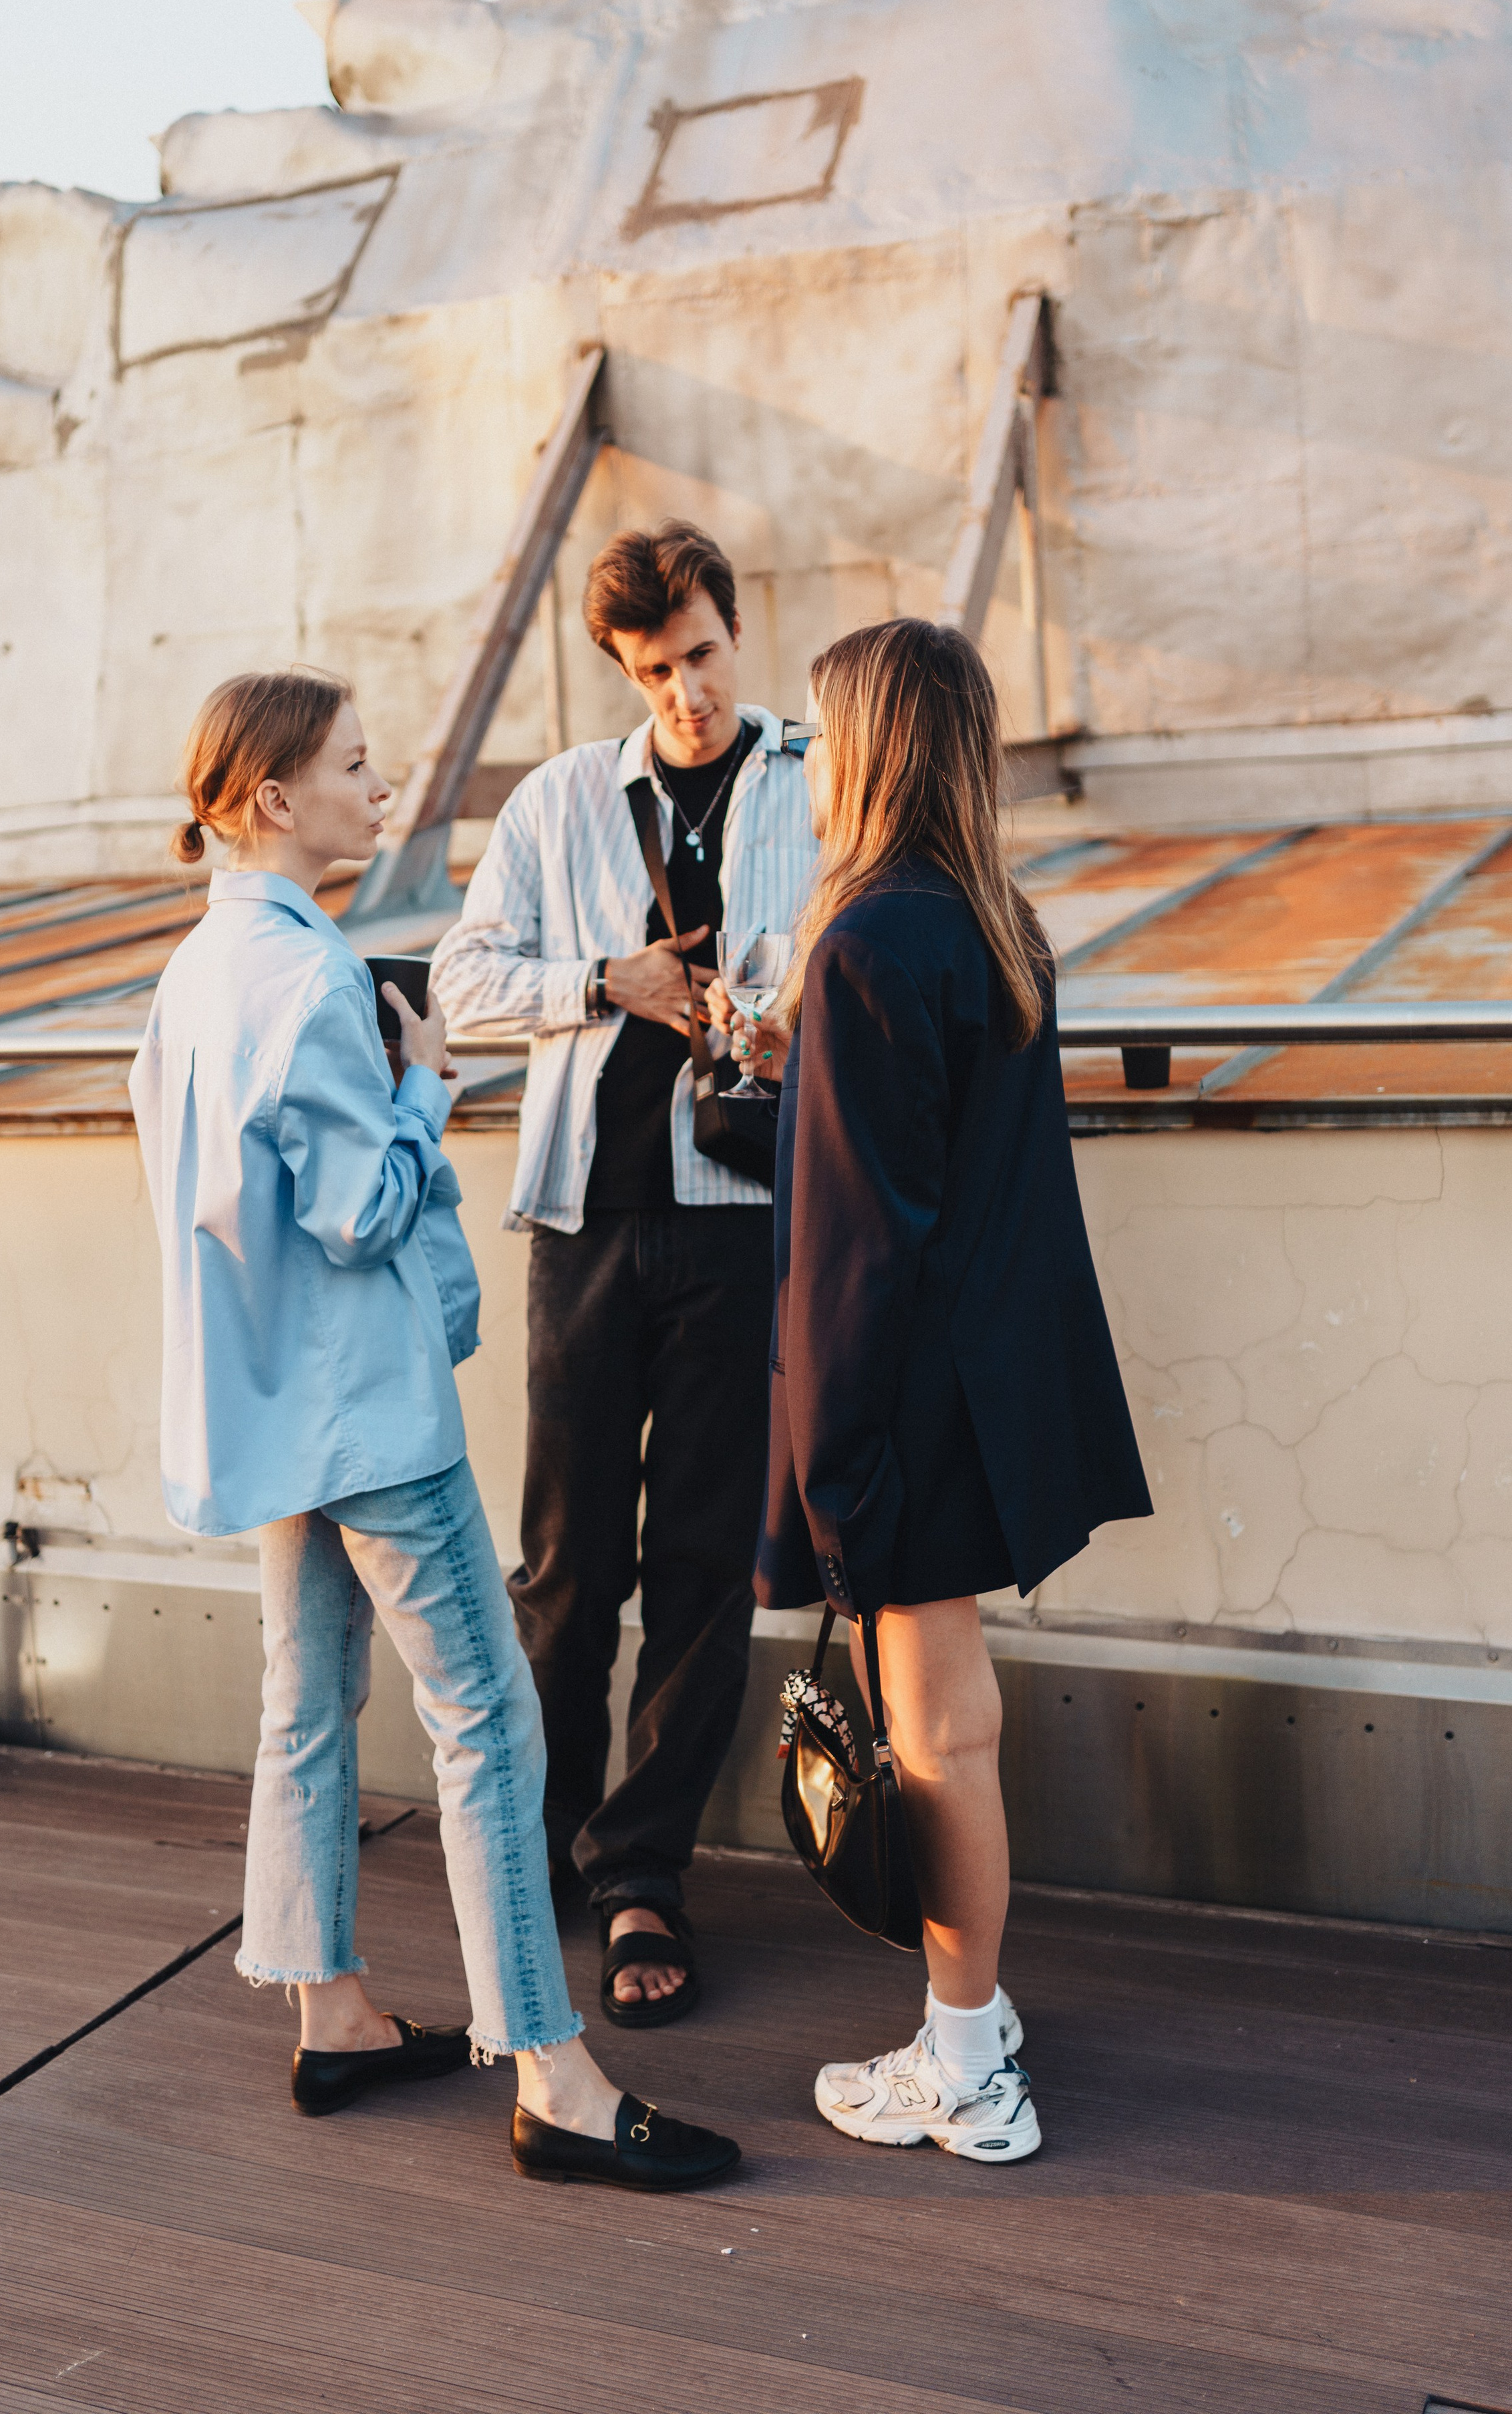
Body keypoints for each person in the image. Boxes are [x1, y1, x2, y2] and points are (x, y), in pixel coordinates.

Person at [128, 665, 738, 2192]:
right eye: (353, 764)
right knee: (489, 1725)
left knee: (305, 1701)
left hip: (270, 1405)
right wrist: (420, 1087)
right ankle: (553, 2076)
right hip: (369, 1414)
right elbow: (360, 1210)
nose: (382, 785)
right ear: (274, 797)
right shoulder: (310, 980)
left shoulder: (196, 970)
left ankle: (329, 2011)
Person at [728, 618, 1151, 2163]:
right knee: (951, 1726)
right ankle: (973, 2018)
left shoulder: (860, 944)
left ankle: (967, 2064)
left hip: (904, 1411)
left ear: (868, 747)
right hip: (988, 1396)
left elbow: (854, 1255)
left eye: (815, 734)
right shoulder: (990, 923)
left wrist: (831, 1475)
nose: (804, 763)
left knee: (935, 1739)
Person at [429, 522, 816, 2026]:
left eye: (701, 657)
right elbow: (460, 981)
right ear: (622, 669)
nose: (686, 695)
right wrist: (607, 980)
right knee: (567, 1563)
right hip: (585, 1223)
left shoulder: (818, 780)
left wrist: (789, 1019)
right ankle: (540, 1849)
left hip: (742, 1221)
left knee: (706, 1568)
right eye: (654, 672)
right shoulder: (560, 799)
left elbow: (868, 962)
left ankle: (644, 1875)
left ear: (736, 630)